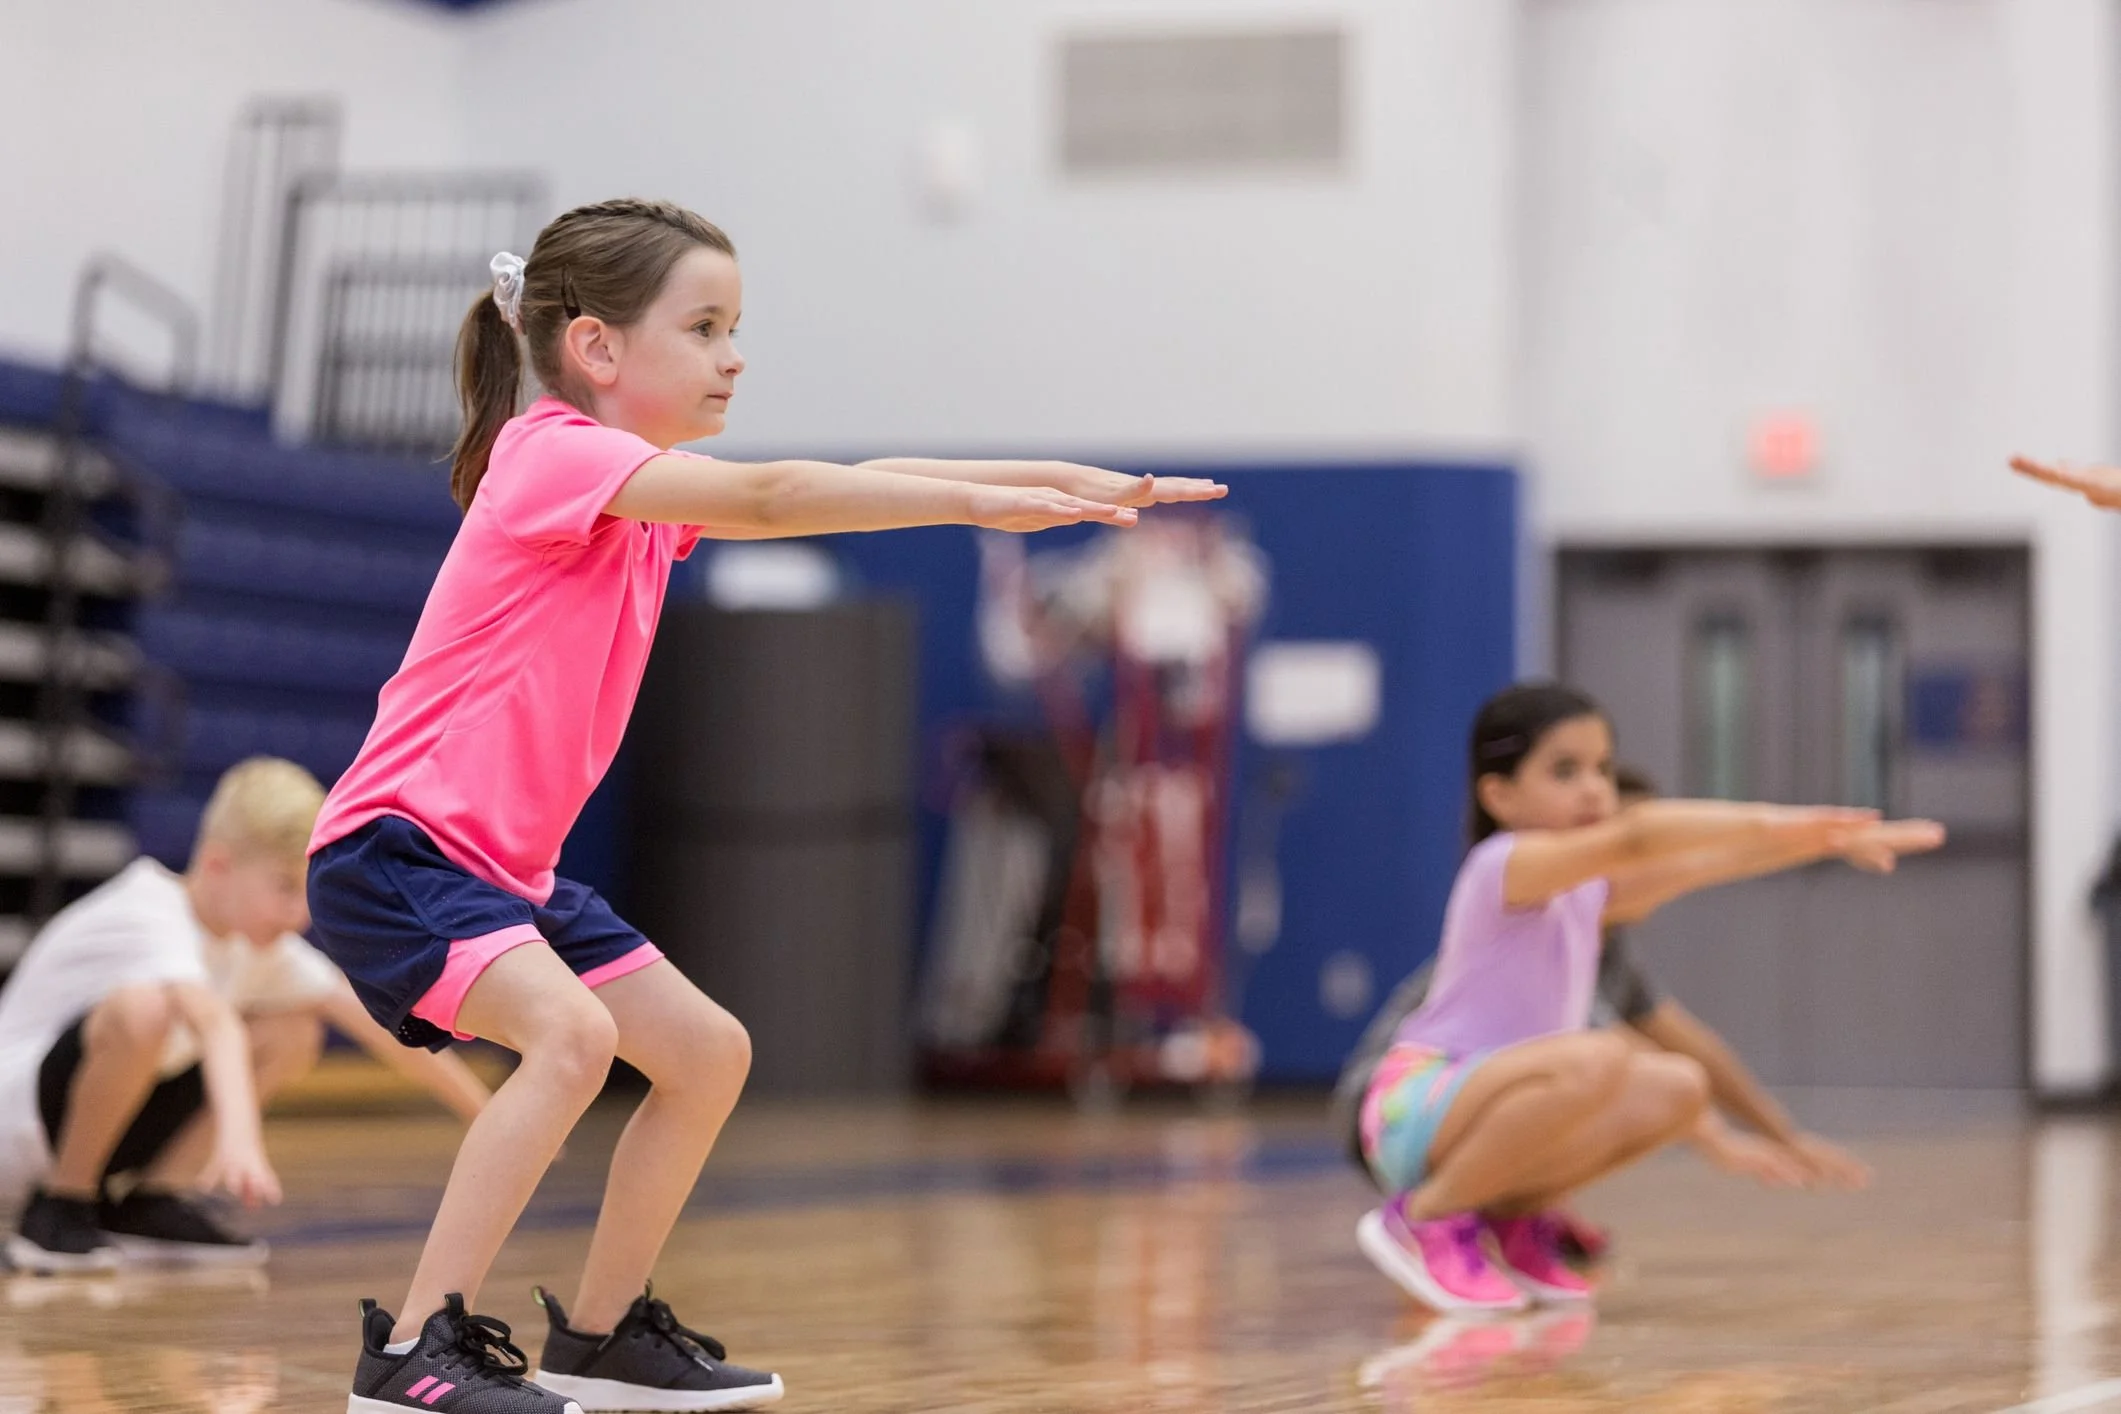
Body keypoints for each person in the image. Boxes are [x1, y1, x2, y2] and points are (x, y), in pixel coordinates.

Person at [307, 197, 1228, 1414]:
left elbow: (826, 478)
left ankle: (599, 1334)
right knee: (573, 1040)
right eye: (705, 327)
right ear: (596, 348)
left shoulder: (637, 494)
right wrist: (982, 504)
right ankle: (414, 1351)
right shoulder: (552, 452)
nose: (734, 355)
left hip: (504, 873)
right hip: (397, 851)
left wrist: (1042, 477)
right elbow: (786, 494)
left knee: (703, 1054)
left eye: (737, 327)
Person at [1354, 683, 1943, 1313]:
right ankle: (1424, 1219)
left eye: (1603, 769)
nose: (1593, 788)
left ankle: (1511, 1217)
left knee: (1678, 1088)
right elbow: (1638, 838)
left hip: (1486, 1108)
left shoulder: (1589, 891)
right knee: (1598, 1057)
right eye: (1565, 770)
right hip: (1412, 1107)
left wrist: (1822, 842)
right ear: (1498, 794)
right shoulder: (1504, 864)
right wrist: (1780, 820)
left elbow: (1703, 862)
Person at [1332, 765, 1870, 1266]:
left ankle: (1513, 1215)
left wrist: (1783, 1134)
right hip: (1393, 1112)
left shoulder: (1606, 943)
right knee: (1599, 1072)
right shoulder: (1536, 928)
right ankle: (1435, 1217)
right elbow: (1617, 1050)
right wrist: (1717, 1141)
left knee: (1656, 1082)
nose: (1661, 870)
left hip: (1469, 1101)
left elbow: (1691, 1045)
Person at [0, 757, 490, 1274]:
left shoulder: (255, 945)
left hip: (74, 1126)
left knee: (292, 1031)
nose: (299, 914)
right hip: (14, 1129)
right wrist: (240, 1136)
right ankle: (63, 1207)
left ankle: (151, 1203)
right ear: (217, 864)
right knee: (144, 1010)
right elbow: (215, 1025)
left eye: (307, 891)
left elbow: (376, 1023)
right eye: (284, 887)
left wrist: (486, 1112)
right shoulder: (147, 912)